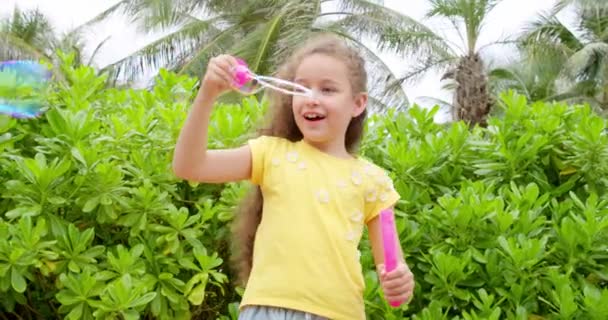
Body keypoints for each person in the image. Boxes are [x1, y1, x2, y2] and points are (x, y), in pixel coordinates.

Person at [172, 33, 414, 320]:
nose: (311, 99)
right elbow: (189, 166)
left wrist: (401, 283)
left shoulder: (373, 180)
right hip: (266, 311)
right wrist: (208, 93)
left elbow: (393, 264)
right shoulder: (271, 154)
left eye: (327, 89)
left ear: (358, 104)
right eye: (301, 88)